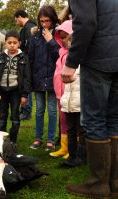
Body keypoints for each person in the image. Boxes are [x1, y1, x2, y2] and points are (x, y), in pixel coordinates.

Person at [61, 1, 118, 198]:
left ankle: (98, 185)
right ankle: (114, 182)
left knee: (94, 120)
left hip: (98, 57)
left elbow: (85, 23)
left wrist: (71, 62)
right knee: (114, 119)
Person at [28, 5, 59, 151]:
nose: (44, 24)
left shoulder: (59, 35)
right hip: (38, 78)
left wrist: (51, 41)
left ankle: (50, 139)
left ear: (52, 20)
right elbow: (31, 60)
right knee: (39, 109)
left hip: (53, 78)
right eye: (42, 21)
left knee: (52, 110)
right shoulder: (35, 38)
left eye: (47, 21)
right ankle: (38, 137)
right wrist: (30, 80)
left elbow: (60, 56)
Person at [0, 30, 31, 145]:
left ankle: (13, 140)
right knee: (3, 116)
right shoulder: (1, 57)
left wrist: (24, 95)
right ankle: (1, 140)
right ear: (5, 43)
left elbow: (27, 78)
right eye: (9, 42)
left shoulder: (23, 57)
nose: (12, 45)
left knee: (15, 115)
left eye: (15, 42)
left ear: (19, 43)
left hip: (16, 91)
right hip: (2, 91)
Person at [49, 20, 73, 159]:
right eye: (61, 37)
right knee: (63, 120)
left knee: (72, 122)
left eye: (66, 37)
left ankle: (72, 147)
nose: (63, 40)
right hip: (60, 94)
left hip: (70, 94)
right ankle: (64, 147)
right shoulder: (61, 52)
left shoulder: (73, 55)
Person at [14, 10, 36, 121]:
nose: (16, 22)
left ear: (19, 17)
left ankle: (27, 111)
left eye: (16, 19)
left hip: (28, 61)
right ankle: (24, 110)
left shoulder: (29, 28)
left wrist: (26, 60)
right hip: (27, 61)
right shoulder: (28, 27)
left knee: (27, 85)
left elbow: (30, 47)